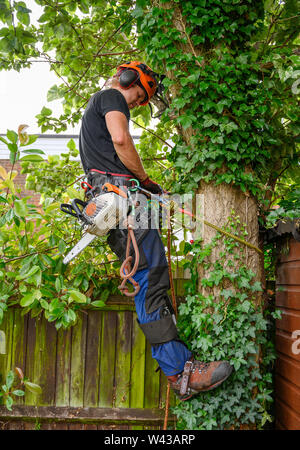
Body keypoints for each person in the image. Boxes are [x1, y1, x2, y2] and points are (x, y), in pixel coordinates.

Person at [79, 61, 233, 400]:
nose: (136, 103)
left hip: (120, 201)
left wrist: (148, 191)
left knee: (152, 274)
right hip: (122, 201)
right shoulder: (110, 97)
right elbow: (121, 139)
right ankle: (180, 371)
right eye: (139, 95)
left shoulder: (96, 108)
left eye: (141, 101)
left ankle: (178, 367)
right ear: (127, 78)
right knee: (150, 278)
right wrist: (145, 179)